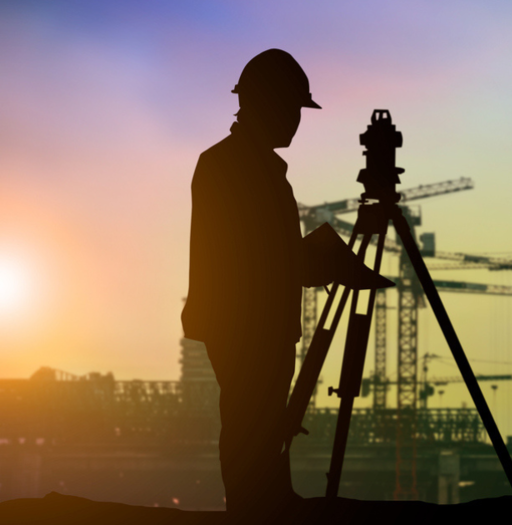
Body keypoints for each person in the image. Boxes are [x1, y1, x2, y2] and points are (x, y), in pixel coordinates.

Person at [182, 49, 390, 522]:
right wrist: (323, 258)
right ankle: (254, 509)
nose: (296, 121)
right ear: (265, 105)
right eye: (293, 109)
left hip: (262, 323)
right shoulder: (232, 166)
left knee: (265, 422)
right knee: (250, 423)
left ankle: (271, 500)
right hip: (245, 324)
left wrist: (318, 258)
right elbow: (252, 257)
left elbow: (265, 254)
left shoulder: (254, 167)